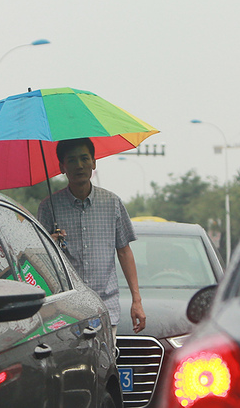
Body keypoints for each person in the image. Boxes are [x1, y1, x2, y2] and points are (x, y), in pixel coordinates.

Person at [37, 138, 146, 341]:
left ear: (94, 163)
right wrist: (49, 243)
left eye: (84, 158)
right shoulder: (48, 207)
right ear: (62, 166)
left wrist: (136, 300)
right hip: (65, 311)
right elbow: (39, 260)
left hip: (105, 308)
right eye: (71, 160)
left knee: (105, 370)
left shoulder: (112, 203)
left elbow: (124, 251)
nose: (79, 165)